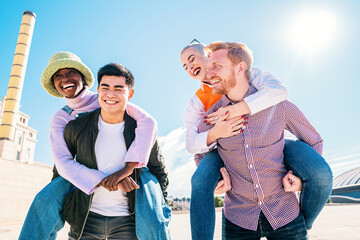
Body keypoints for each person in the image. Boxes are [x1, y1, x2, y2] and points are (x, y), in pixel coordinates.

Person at [180, 40, 333, 239]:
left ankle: (308, 221)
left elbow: (314, 141)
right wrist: (217, 178)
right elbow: (198, 149)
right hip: (237, 217)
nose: (208, 74)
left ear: (240, 68)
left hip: (285, 213)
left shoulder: (275, 102)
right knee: (199, 181)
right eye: (185, 66)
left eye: (215, 66)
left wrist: (297, 176)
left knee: (320, 172)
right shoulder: (210, 115)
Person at [19, 52, 165, 240]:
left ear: (82, 76)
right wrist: (107, 179)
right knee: (42, 201)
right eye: (58, 76)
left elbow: (148, 122)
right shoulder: (60, 118)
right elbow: (63, 163)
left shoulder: (107, 98)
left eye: (71, 72)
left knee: (152, 202)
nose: (65, 79)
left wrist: (128, 169)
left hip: (130, 170)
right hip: (77, 172)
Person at [62, 63, 168, 239]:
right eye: (105, 87)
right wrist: (69, 210)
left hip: (128, 222)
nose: (110, 94)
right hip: (85, 221)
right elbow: (61, 173)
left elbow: (159, 171)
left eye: (118, 89)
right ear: (98, 90)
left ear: (130, 94)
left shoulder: (142, 130)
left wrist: (159, 207)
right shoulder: (76, 128)